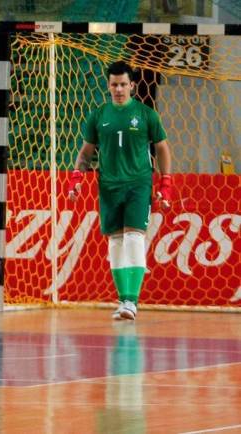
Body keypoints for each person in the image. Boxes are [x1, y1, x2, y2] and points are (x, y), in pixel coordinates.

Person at [68, 60, 172, 321]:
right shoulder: (98, 115)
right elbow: (86, 152)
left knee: (134, 236)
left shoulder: (147, 114)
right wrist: (76, 179)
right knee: (115, 242)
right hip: (109, 186)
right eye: (114, 84)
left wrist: (166, 183)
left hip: (138, 184)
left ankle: (132, 302)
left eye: (123, 84)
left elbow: (162, 148)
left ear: (132, 85)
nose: (119, 89)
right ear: (108, 85)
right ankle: (124, 300)